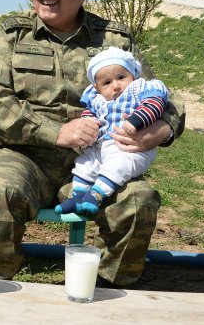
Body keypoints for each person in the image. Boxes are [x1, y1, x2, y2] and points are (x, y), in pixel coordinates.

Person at [0, 0, 185, 286]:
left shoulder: (114, 40)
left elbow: (163, 95)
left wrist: (162, 129)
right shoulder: (14, 34)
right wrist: (56, 132)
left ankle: (108, 292)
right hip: (26, 156)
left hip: (100, 160)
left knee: (139, 200)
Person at [55, 46, 169, 217]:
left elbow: (155, 104)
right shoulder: (96, 98)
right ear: (97, 87)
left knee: (118, 165)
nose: (116, 86)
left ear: (133, 75)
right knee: (85, 163)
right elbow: (90, 112)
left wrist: (137, 120)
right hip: (101, 145)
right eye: (107, 83)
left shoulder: (139, 88)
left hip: (127, 145)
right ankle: (78, 197)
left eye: (121, 77)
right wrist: (88, 122)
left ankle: (96, 195)